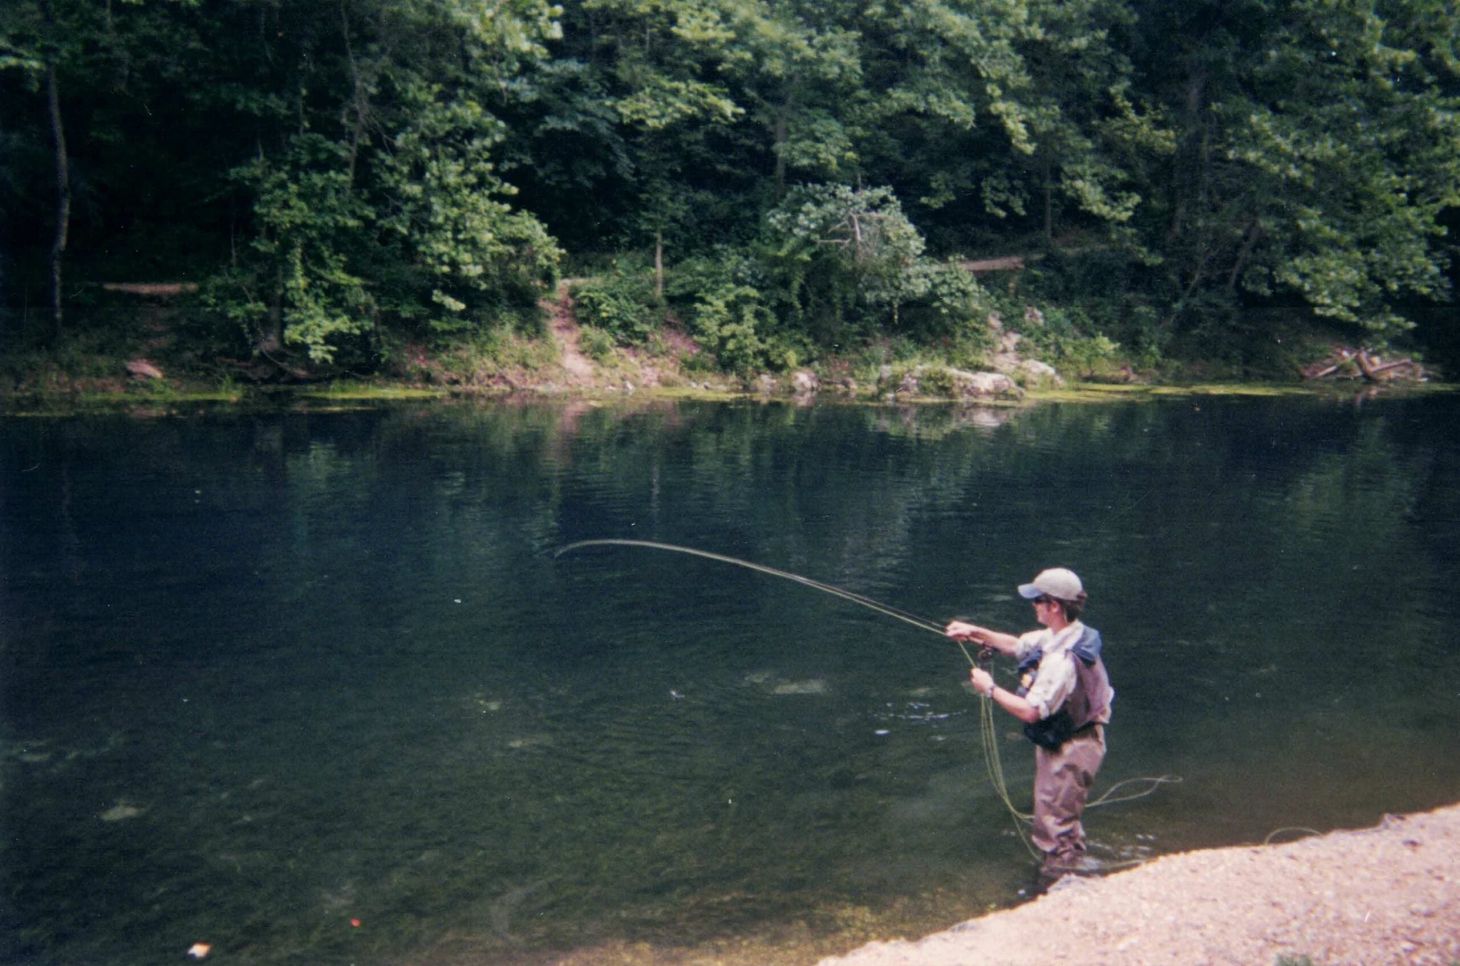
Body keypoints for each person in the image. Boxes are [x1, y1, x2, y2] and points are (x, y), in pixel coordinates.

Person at [945, 567, 1113, 880]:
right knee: (1056, 816)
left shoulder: (1062, 661)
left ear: (1054, 607)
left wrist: (990, 688)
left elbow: (1031, 712)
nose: (1033, 605)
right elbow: (1017, 645)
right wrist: (974, 632)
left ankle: (1062, 886)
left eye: (1038, 600)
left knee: (1055, 825)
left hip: (1073, 749)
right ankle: (1068, 873)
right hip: (1066, 739)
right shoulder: (1061, 634)